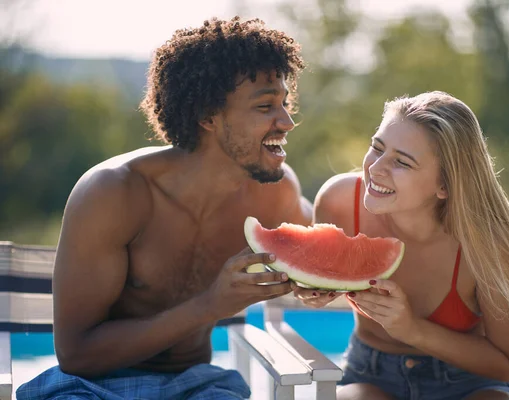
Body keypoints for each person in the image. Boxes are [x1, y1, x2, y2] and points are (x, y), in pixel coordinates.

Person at [17, 17, 312, 400]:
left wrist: (316, 285)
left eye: (285, 103)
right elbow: (76, 355)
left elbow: (319, 254)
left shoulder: (275, 192)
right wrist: (209, 306)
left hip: (199, 385)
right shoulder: (114, 193)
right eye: (266, 106)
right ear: (208, 116)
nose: (287, 121)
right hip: (90, 385)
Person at [292, 91, 509, 400]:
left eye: (402, 162)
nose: (375, 169)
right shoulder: (339, 203)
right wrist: (313, 288)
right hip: (371, 376)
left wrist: (412, 329)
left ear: (445, 185)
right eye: (377, 147)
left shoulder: (493, 246)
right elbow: (320, 282)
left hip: (471, 382)